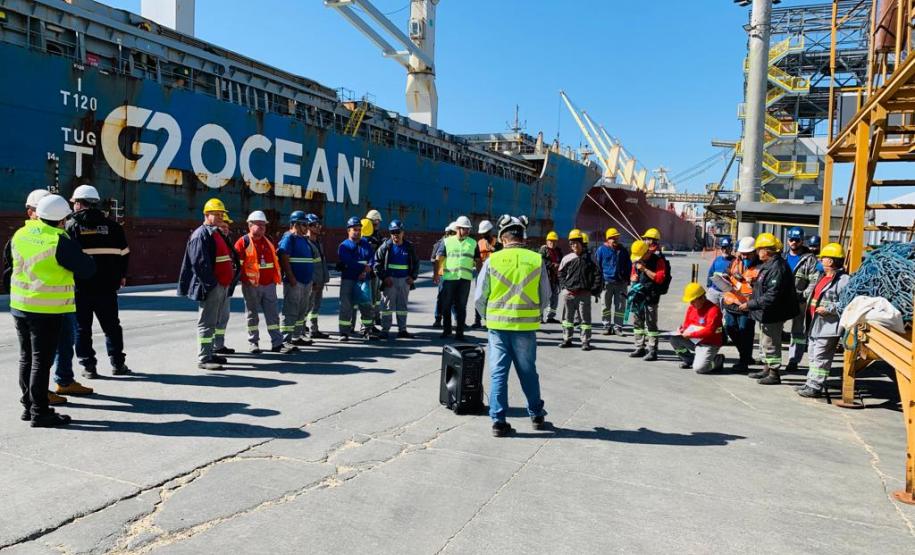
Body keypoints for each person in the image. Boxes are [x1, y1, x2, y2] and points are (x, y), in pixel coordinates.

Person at [10, 194, 95, 427]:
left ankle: (28, 406)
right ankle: (40, 412)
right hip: (46, 310)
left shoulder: (21, 234)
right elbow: (87, 269)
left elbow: (10, 263)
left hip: (19, 307)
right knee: (41, 361)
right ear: (62, 219)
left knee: (26, 357)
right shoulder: (59, 240)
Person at [473, 215, 550, 437]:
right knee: (528, 372)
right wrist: (535, 314)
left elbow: (479, 297)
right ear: (522, 238)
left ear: (503, 238)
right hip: (525, 328)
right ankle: (536, 415)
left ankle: (498, 421)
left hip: (498, 327)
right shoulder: (536, 259)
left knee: (498, 373)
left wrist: (487, 317)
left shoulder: (492, 260)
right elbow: (545, 296)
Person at [65, 185, 131, 379]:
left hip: (81, 288)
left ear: (79, 203)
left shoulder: (72, 226)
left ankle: (88, 367)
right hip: (107, 288)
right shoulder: (114, 227)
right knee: (112, 326)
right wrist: (121, 275)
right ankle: (118, 364)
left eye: (75, 203)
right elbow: (125, 254)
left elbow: (67, 258)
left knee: (82, 328)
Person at [177, 198, 242, 370]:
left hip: (222, 285)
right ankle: (204, 358)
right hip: (214, 286)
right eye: (217, 214)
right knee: (206, 321)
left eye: (222, 214)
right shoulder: (201, 235)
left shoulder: (215, 233)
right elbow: (199, 263)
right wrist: (212, 284)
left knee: (214, 321)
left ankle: (211, 352)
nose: (221, 216)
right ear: (207, 214)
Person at [737, 232, 798, 385]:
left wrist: (750, 304)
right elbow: (766, 287)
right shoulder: (769, 265)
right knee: (765, 342)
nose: (757, 253)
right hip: (767, 311)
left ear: (767, 250)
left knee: (771, 343)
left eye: (759, 250)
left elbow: (772, 295)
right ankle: (767, 369)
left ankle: (774, 373)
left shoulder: (776, 267)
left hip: (773, 312)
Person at [796, 243, 850, 398]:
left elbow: (847, 303)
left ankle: (816, 386)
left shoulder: (843, 280)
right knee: (813, 355)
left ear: (831, 261)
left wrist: (830, 309)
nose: (820, 259)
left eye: (823, 258)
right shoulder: (822, 277)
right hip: (815, 324)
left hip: (828, 326)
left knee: (821, 357)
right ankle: (810, 382)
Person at [234, 210, 285, 354]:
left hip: (269, 284)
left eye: (264, 225)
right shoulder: (243, 242)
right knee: (252, 315)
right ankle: (253, 343)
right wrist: (245, 280)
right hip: (251, 285)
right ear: (250, 225)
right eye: (259, 224)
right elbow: (237, 265)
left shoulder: (268, 241)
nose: (262, 227)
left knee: (273, 315)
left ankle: (277, 344)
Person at [434, 215, 481, 340]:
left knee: (461, 307)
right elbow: (439, 258)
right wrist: (437, 275)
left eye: (468, 229)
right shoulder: (447, 241)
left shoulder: (473, 243)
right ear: (458, 229)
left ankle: (459, 333)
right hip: (449, 278)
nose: (467, 231)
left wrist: (480, 275)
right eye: (465, 229)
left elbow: (477, 260)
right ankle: (447, 330)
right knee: (446, 305)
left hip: (465, 279)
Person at [373, 219, 420, 338]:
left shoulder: (409, 247)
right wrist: (384, 277)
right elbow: (376, 262)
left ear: (403, 232)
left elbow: (416, 262)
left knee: (402, 307)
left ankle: (402, 330)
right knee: (387, 307)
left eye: (398, 232)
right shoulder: (386, 246)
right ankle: (385, 330)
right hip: (390, 281)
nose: (395, 235)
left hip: (405, 281)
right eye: (393, 232)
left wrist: (412, 277)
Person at [276, 211, 315, 352]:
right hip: (295, 281)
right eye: (304, 224)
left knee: (301, 310)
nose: (307, 227)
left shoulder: (304, 239)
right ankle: (285, 339)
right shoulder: (289, 238)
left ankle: (296, 336)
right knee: (290, 310)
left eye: (307, 224)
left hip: (306, 281)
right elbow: (284, 256)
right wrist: (290, 276)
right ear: (295, 224)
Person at [558, 229, 602, 350]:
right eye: (572, 243)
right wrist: (564, 286)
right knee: (567, 318)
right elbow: (560, 274)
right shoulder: (567, 258)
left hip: (584, 293)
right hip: (569, 293)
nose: (574, 245)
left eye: (576, 243)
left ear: (582, 243)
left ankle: (585, 341)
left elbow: (598, 275)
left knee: (585, 319)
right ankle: (567, 339)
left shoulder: (590, 259)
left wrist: (593, 289)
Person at [784, 227, 820, 373]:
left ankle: (794, 360)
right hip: (782, 300)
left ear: (801, 241)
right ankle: (770, 360)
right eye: (791, 239)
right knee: (775, 328)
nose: (794, 242)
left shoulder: (809, 259)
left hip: (799, 300)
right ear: (787, 240)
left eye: (797, 240)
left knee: (797, 332)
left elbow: (814, 281)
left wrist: (804, 295)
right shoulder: (783, 257)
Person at [337, 217, 379, 341]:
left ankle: (367, 330)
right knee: (346, 306)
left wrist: (369, 267)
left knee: (366, 305)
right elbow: (348, 262)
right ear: (348, 231)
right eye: (355, 229)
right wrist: (363, 268)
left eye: (359, 229)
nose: (358, 232)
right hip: (349, 279)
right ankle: (344, 332)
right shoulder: (344, 246)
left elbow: (372, 259)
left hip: (363, 279)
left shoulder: (365, 244)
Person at [722, 237, 760, 373]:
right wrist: (726, 277)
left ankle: (744, 361)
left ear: (754, 252)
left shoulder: (760, 266)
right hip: (731, 302)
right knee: (730, 328)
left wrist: (749, 282)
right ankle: (745, 355)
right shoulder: (735, 262)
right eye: (742, 253)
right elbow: (728, 273)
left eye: (747, 253)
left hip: (747, 305)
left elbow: (761, 287)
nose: (744, 256)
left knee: (745, 333)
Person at [669, 283, 725, 374]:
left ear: (702, 298)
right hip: (695, 340)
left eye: (693, 301)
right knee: (674, 339)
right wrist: (682, 330)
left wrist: (690, 335)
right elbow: (687, 324)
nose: (691, 303)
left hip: (709, 343)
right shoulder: (692, 307)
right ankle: (689, 359)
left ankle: (718, 360)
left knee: (700, 369)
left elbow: (709, 331)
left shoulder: (714, 310)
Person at [628, 239, 666, 361]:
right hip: (639, 296)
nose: (638, 259)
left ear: (647, 252)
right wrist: (633, 280)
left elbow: (659, 278)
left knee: (651, 324)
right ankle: (640, 347)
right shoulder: (637, 262)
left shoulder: (658, 261)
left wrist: (644, 269)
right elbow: (632, 275)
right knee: (638, 323)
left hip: (651, 296)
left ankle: (652, 350)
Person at [594, 227, 630, 335]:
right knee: (605, 305)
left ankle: (618, 327)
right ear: (608, 239)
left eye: (617, 238)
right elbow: (597, 266)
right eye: (613, 238)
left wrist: (627, 279)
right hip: (606, 282)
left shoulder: (623, 251)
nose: (616, 240)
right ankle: (606, 326)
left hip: (621, 283)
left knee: (620, 306)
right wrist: (598, 282)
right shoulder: (601, 250)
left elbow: (628, 266)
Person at [304, 213, 329, 339]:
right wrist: (312, 281)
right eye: (316, 225)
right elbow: (308, 265)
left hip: (320, 281)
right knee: (306, 307)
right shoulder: (306, 244)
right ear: (308, 226)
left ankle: (314, 330)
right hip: (312, 282)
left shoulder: (318, 242)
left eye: (319, 224)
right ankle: (301, 329)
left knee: (316, 306)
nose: (319, 227)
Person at [472, 219, 497, 328]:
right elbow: (476, 258)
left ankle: (488, 321)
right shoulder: (480, 243)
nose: (484, 235)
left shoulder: (497, 242)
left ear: (490, 231)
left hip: (494, 273)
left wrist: (493, 248)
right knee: (479, 296)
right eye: (483, 233)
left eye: (486, 233)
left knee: (491, 298)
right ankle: (477, 320)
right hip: (481, 273)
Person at [431, 222, 455, 328]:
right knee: (442, 297)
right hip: (443, 274)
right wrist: (436, 273)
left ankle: (457, 320)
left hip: (452, 274)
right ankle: (438, 318)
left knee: (453, 298)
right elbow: (434, 259)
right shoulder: (442, 243)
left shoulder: (454, 242)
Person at [538, 231, 562, 324]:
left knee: (554, 298)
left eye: (554, 241)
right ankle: (540, 317)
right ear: (547, 241)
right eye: (550, 241)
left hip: (554, 278)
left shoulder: (558, 251)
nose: (552, 243)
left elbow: (562, 261)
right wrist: (552, 265)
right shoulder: (543, 250)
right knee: (543, 297)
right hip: (545, 277)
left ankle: (550, 317)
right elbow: (541, 261)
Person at [365, 209, 384, 325]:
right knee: (371, 297)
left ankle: (376, 316)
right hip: (370, 271)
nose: (378, 225)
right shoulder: (366, 236)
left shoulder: (377, 235)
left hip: (376, 270)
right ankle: (370, 320)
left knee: (377, 296)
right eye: (376, 223)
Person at [706, 236, 734, 308]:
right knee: (710, 311)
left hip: (727, 293)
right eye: (723, 248)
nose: (725, 250)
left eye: (727, 248)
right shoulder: (717, 260)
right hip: (714, 291)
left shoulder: (735, 261)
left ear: (731, 248)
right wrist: (709, 286)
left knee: (725, 315)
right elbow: (711, 273)